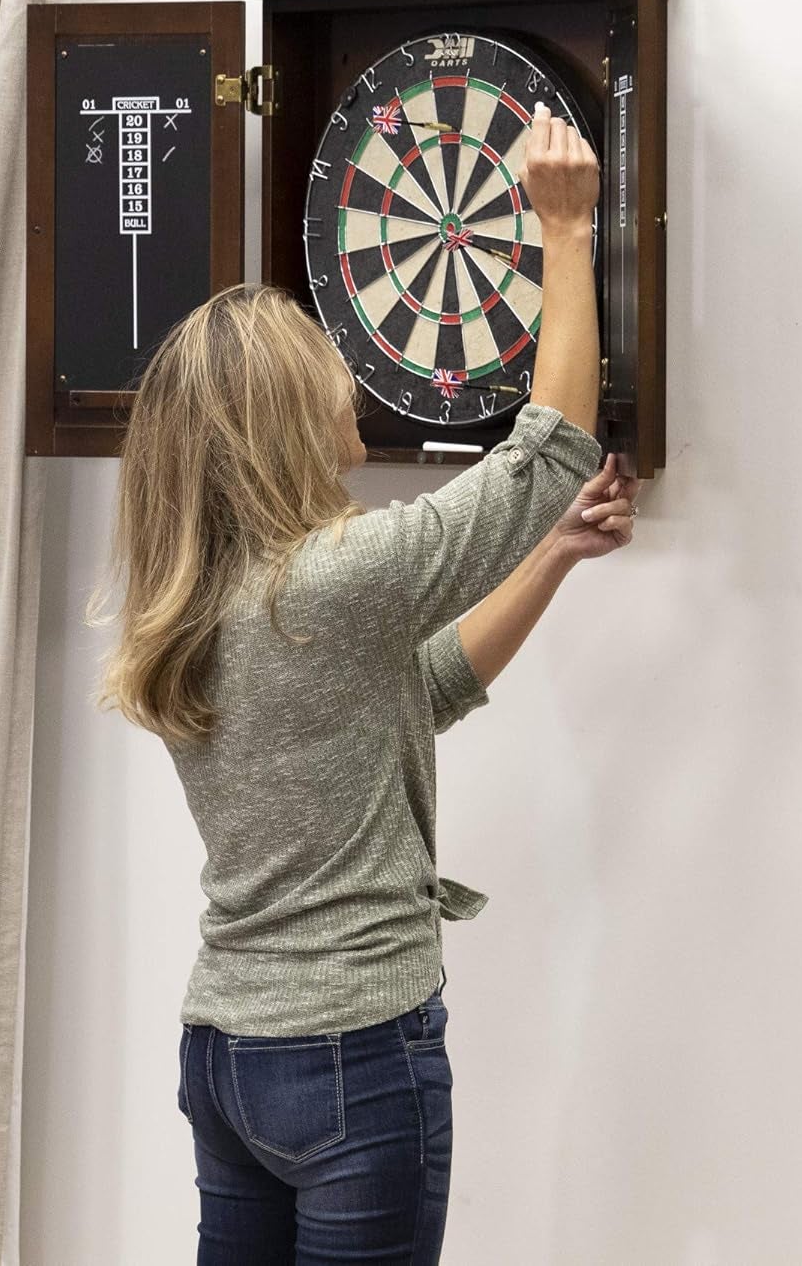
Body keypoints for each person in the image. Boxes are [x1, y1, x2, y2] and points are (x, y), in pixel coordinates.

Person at [92, 102, 641, 1264]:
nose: (350, 380)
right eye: (326, 370)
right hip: (351, 1055)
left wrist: (551, 557)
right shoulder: (334, 579)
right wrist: (565, 230)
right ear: (285, 419)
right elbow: (548, 452)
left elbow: (420, 687)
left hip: (228, 1052)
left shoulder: (205, 601)